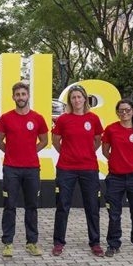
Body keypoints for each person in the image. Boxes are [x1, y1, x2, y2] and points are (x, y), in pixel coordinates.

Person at [0, 82, 48, 257]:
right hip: (11, 169)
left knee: (31, 207)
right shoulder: (6, 118)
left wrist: (32, 151)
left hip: (32, 169)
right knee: (9, 206)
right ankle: (8, 243)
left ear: (28, 96)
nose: (20, 97)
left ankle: (31, 243)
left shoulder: (38, 118)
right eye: (17, 94)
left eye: (23, 94)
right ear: (13, 97)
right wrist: (9, 151)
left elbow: (44, 140)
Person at [51, 84, 104, 257]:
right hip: (66, 168)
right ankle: (58, 242)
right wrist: (68, 153)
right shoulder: (63, 120)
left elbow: (97, 141)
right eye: (73, 97)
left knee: (92, 206)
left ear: (85, 99)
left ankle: (95, 242)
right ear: (70, 100)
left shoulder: (94, 119)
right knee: (62, 206)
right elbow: (56, 141)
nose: (76, 100)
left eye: (79, 97)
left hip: (89, 168)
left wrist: (85, 153)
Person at [101, 99, 133, 260]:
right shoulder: (111, 129)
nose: (124, 113)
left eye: (128, 110)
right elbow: (105, 151)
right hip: (115, 177)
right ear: (117, 112)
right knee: (114, 214)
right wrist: (117, 161)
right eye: (121, 110)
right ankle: (113, 244)